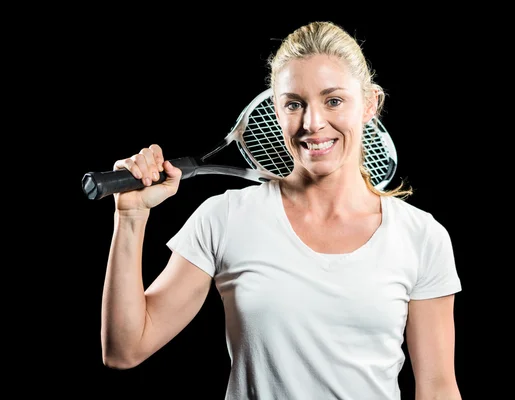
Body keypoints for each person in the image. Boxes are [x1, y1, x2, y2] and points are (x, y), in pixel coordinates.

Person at [101, 21, 463, 399]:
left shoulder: (422, 237)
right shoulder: (224, 218)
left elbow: (438, 388)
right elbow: (125, 349)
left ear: (370, 103)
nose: (313, 123)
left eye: (333, 101)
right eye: (294, 104)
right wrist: (130, 217)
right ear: (277, 109)